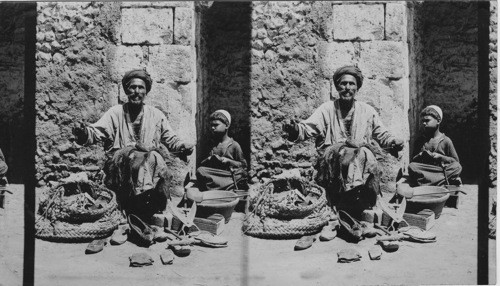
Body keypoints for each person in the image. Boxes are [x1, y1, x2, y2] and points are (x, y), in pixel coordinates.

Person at [282, 65, 404, 217]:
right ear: (337, 87)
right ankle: (343, 204)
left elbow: (382, 135)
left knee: (365, 155)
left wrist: (393, 141)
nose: (347, 88)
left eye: (351, 84)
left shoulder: (367, 110)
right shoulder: (326, 109)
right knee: (345, 156)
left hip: (361, 157)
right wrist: (295, 129)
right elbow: (306, 129)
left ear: (357, 87)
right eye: (343, 83)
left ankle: (362, 202)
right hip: (333, 160)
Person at [72, 69, 194, 220]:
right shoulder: (115, 113)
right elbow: (95, 132)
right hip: (121, 166)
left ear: (146, 91)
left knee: (154, 158)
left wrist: (182, 146)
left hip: (149, 162)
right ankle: (138, 207)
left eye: (141, 88)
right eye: (132, 87)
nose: (137, 91)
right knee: (135, 157)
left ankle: (152, 204)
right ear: (126, 90)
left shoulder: (156, 115)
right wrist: (83, 133)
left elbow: (171, 139)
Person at [407, 105, 462, 186]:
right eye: (423, 121)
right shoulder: (420, 140)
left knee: (457, 167)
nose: (424, 123)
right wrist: (421, 155)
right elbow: (413, 161)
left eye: (427, 120)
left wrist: (441, 157)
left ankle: (426, 182)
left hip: (440, 170)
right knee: (412, 166)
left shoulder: (446, 140)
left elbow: (455, 161)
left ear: (438, 121)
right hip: (426, 170)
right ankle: (441, 181)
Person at [196, 110, 248, 191]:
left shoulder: (234, 145)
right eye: (211, 125)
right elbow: (201, 164)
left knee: (241, 175)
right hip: (214, 174)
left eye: (216, 125)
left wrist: (228, 161)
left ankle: (215, 187)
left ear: (226, 125)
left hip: (227, 175)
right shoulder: (210, 144)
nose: (212, 128)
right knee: (200, 171)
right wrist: (209, 159)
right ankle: (224, 187)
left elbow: (243, 165)